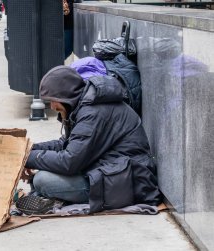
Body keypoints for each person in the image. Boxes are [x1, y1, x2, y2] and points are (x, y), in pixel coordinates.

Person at [17, 66, 161, 215]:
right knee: (42, 173)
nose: (53, 107)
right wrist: (28, 149)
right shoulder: (85, 106)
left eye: (53, 101)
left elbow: (69, 161)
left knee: (42, 180)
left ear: (66, 97)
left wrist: (27, 158)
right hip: (109, 171)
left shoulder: (93, 112)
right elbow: (65, 144)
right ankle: (51, 198)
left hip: (130, 182)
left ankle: (54, 200)